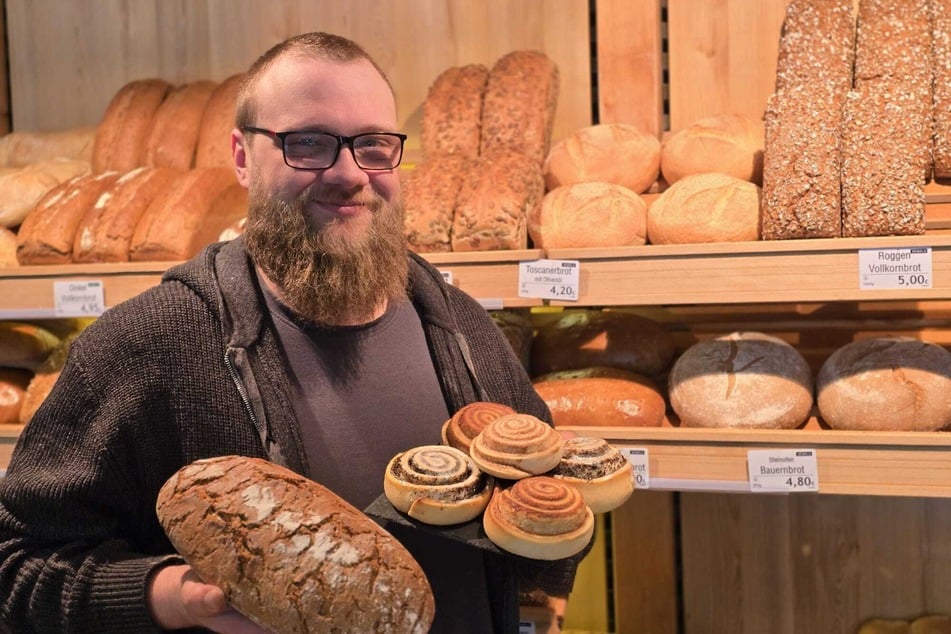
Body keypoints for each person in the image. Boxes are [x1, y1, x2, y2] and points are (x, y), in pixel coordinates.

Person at [0, 32, 582, 633]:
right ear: (242, 156)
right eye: (308, 143)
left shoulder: (465, 331)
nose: (349, 173)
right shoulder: (148, 345)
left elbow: (540, 556)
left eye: (374, 145)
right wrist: (175, 597)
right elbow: (16, 569)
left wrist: (559, 522)